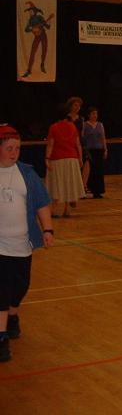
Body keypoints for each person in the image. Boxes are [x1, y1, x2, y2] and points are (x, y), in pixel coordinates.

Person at [0, 125, 54, 363]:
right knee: (1, 291)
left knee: (20, 287)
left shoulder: (27, 174)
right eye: (9, 148)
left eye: (18, 148)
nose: (14, 153)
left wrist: (48, 229)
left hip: (22, 245)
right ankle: (1, 339)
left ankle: (13, 315)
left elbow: (42, 204)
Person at [46, 108, 84, 217]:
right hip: (72, 158)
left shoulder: (53, 127)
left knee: (57, 184)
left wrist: (47, 158)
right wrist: (80, 158)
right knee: (69, 184)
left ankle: (53, 210)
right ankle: (67, 210)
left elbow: (50, 144)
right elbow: (78, 144)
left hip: (57, 158)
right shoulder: (73, 126)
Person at [82, 107, 108, 198]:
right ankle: (87, 189)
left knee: (99, 170)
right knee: (90, 171)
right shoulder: (85, 125)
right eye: (93, 113)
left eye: (96, 114)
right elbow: (82, 138)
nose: (95, 115)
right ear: (88, 115)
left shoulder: (100, 125)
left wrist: (105, 149)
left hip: (99, 150)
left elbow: (103, 138)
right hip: (89, 151)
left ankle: (98, 191)